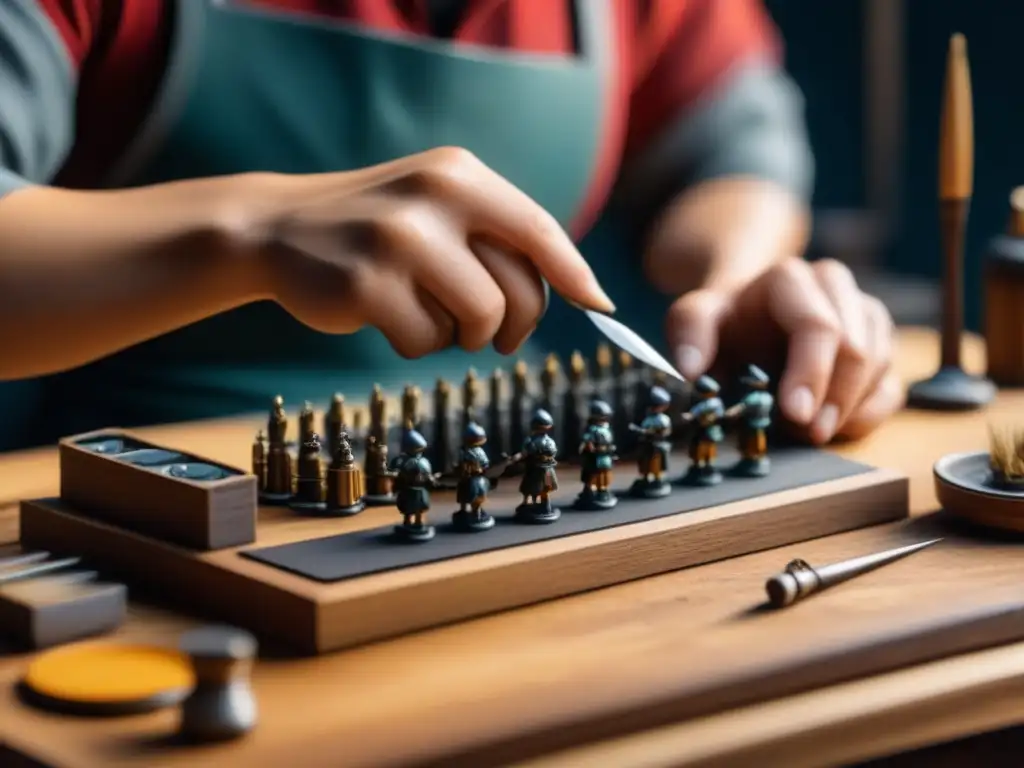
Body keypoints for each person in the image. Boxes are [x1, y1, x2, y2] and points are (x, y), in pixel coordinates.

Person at [0, 0, 902, 451]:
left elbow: (731, 154)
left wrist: (734, 283)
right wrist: (254, 231)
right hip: (133, 486)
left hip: (499, 464)